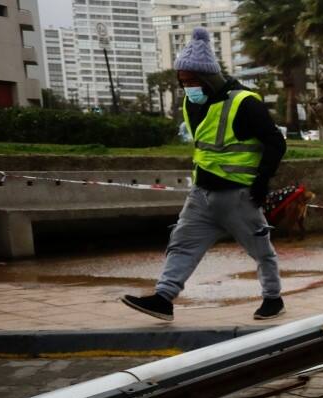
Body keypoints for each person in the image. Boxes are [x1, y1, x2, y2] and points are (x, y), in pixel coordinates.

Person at [123, 27, 287, 322]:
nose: (187, 88)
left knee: (261, 250)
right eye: (182, 82)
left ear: (209, 79)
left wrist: (262, 182)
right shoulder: (191, 103)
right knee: (182, 244)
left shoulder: (244, 103)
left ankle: (273, 298)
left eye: (192, 82)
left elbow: (276, 143)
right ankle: (164, 298)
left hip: (238, 195)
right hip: (201, 194)